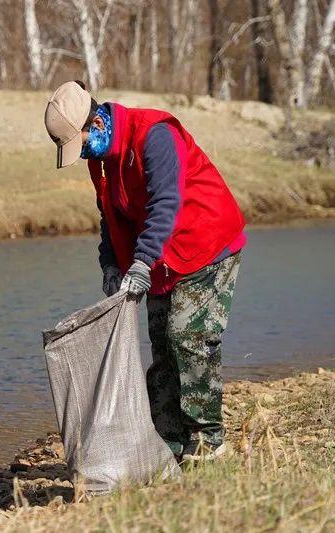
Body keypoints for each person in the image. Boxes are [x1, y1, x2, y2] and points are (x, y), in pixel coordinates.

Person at [43, 80, 246, 462]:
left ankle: (208, 442)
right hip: (159, 260)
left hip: (205, 246)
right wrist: (111, 263)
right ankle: (167, 441)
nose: (83, 152)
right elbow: (110, 217)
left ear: (97, 122)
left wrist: (139, 262)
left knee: (188, 337)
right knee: (163, 345)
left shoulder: (154, 135)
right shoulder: (99, 162)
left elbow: (165, 203)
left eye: (81, 142)